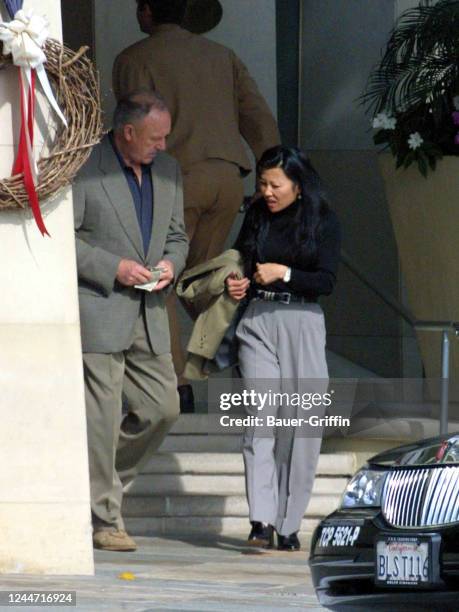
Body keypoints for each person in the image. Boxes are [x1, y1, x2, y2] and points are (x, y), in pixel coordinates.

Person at [112, 0, 280, 411]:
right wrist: (273, 172)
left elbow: (133, 127)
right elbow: (257, 116)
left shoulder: (134, 58)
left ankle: (177, 385)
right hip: (225, 178)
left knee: (161, 282)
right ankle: (254, 360)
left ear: (150, 11)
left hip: (175, 179)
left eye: (139, 6)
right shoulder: (222, 55)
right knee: (203, 280)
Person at [73, 90, 189, 551]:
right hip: (100, 306)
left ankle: (88, 486)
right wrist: (113, 267)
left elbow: (178, 237)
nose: (162, 145)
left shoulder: (169, 170)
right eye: (155, 138)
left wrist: (170, 266)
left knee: (164, 407)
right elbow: (61, 239)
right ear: (127, 132)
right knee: (100, 419)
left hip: (151, 311)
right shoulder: (84, 164)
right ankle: (104, 519)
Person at [226, 146, 341, 551]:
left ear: (298, 184)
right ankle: (261, 520)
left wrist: (285, 273)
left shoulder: (322, 219)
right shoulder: (256, 215)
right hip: (257, 320)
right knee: (260, 420)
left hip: (303, 324)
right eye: (262, 183)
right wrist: (237, 282)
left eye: (276, 184)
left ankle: (288, 523)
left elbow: (325, 280)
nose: (268, 191)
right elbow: (239, 259)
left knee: (301, 426)